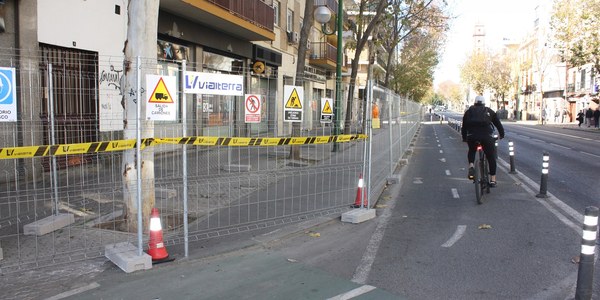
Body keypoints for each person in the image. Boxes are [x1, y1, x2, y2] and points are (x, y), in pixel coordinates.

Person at [461, 95, 505, 187]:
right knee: (490, 156)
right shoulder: (489, 111)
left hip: (472, 136)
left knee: (472, 150)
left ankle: (471, 166)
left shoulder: (468, 112)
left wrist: (464, 138)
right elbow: (498, 124)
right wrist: (502, 134)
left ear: (474, 103)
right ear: (484, 103)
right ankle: (493, 180)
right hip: (486, 136)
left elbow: (464, 127)